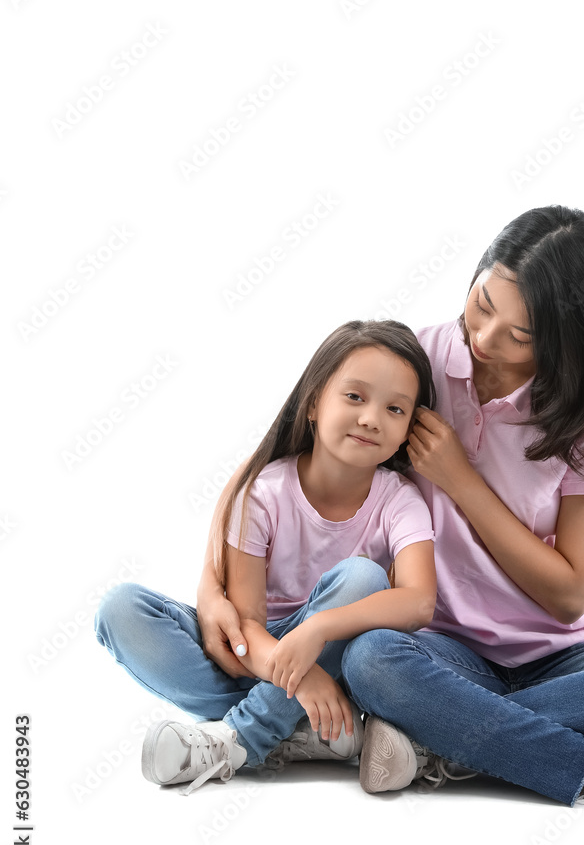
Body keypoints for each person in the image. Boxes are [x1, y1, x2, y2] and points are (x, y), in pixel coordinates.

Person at [199, 206, 584, 819]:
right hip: (438, 649)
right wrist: (211, 590)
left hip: (567, 657)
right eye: (482, 302)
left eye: (520, 335)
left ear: (567, 340)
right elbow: (280, 454)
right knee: (371, 660)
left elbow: (570, 595)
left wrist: (461, 481)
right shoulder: (422, 359)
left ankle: (435, 738)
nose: (485, 337)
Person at [94, 320, 437, 795]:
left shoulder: (401, 501)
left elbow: (419, 602)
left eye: (394, 409)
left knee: (363, 578)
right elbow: (244, 625)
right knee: (121, 609)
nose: (371, 418)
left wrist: (317, 634)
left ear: (406, 431)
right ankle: (305, 727)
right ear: (315, 401)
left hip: (336, 658)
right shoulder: (263, 492)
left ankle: (238, 739)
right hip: (258, 652)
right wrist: (301, 680)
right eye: (354, 397)